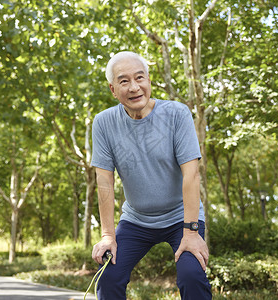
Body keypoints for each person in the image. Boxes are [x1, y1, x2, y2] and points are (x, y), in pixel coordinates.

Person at [91, 51, 212, 299]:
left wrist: (191, 233)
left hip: (181, 217)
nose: (134, 87)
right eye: (124, 81)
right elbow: (104, 183)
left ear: (149, 80)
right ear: (113, 90)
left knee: (191, 274)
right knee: (108, 277)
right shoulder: (103, 123)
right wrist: (107, 236)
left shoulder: (177, 114)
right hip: (137, 220)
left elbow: (191, 175)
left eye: (140, 78)